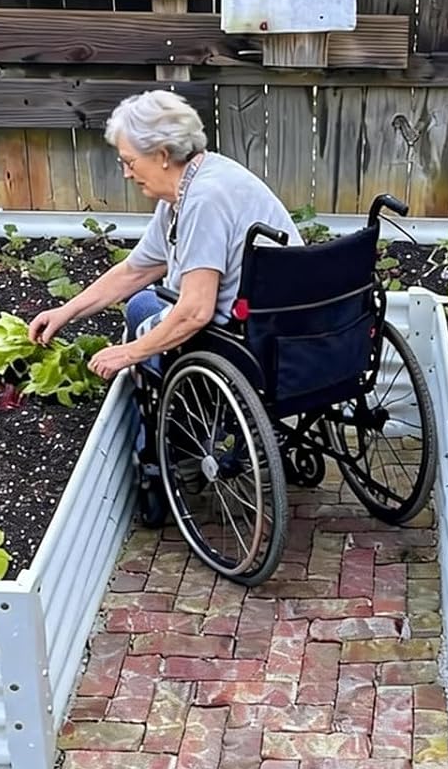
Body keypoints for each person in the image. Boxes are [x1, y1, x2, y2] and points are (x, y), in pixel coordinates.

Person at [27, 89, 302, 505]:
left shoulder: (203, 201)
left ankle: (161, 459)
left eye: (129, 161)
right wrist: (66, 312)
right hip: (293, 322)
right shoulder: (194, 184)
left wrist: (129, 352)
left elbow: (194, 312)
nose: (125, 173)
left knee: (145, 330)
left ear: (161, 153)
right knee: (141, 303)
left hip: (251, 340)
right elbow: (136, 270)